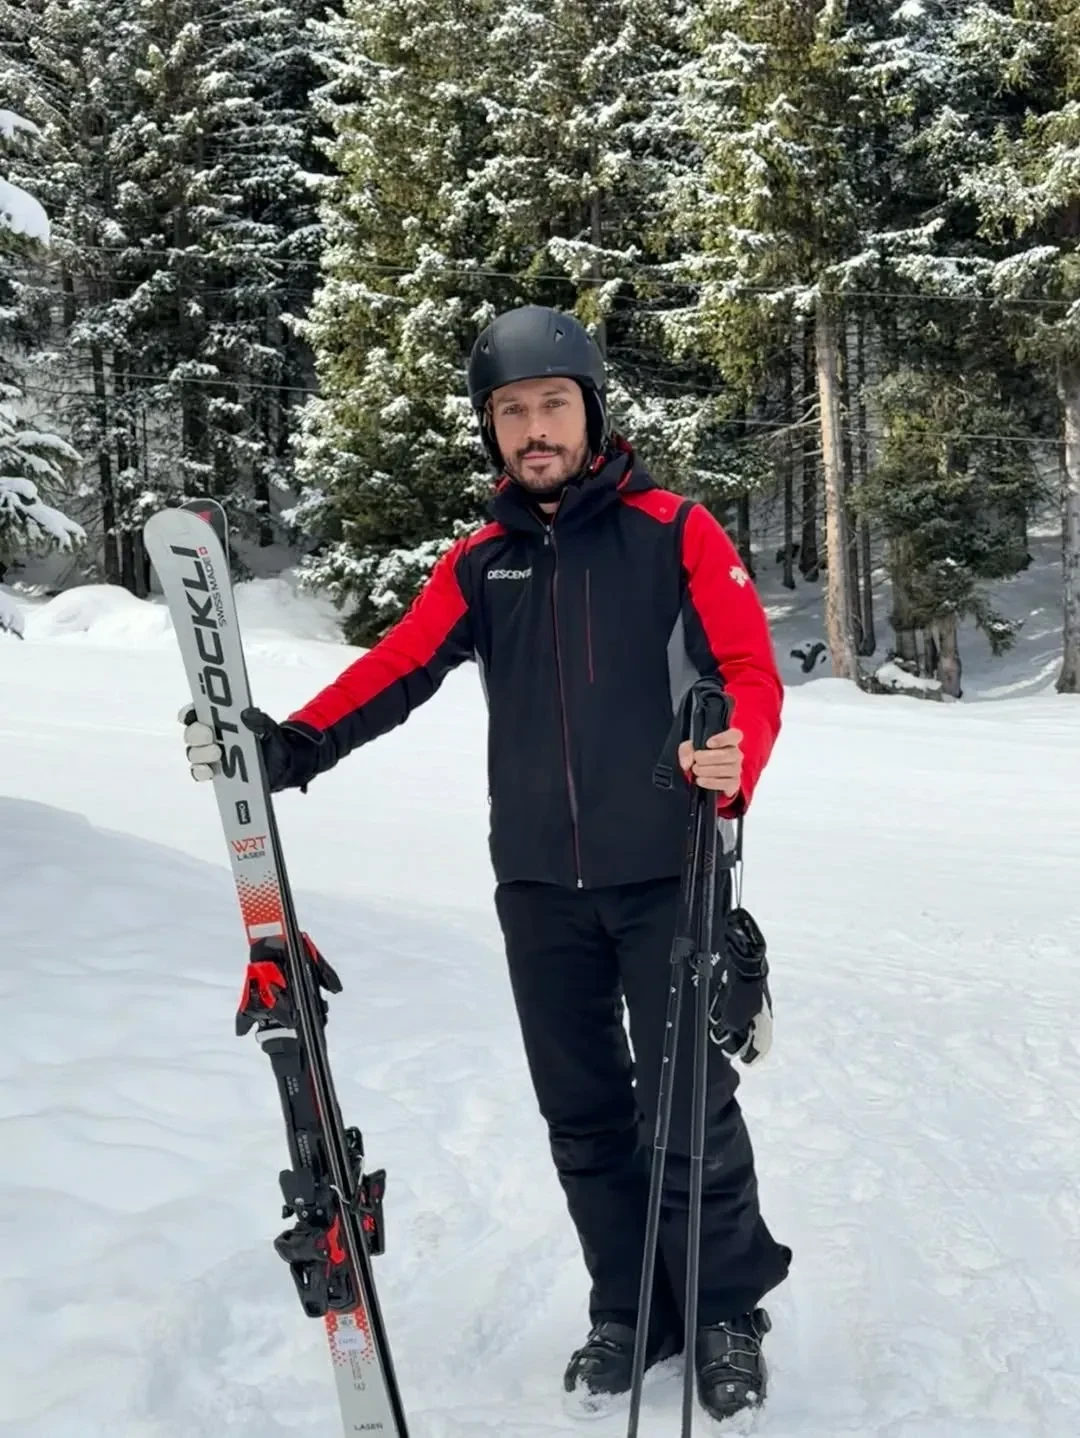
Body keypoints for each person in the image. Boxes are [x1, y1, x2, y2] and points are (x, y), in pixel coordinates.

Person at [181, 305, 791, 1422]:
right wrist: (298, 744)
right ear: (491, 429)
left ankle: (722, 1310)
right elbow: (400, 665)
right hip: (539, 886)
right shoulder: (482, 561)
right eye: (512, 412)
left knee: (687, 1112)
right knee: (582, 1116)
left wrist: (735, 750)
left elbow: (749, 670)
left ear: (591, 412)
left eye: (553, 404)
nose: (534, 429)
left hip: (669, 872)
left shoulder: (676, 531)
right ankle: (631, 1309)